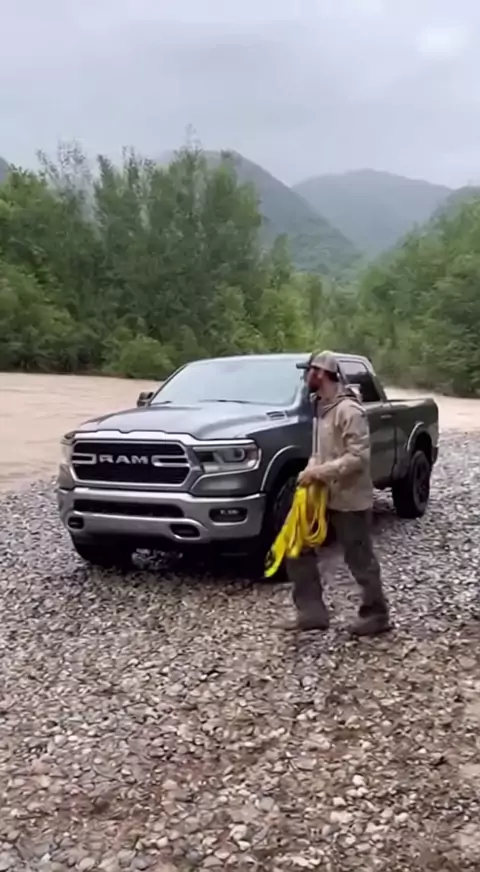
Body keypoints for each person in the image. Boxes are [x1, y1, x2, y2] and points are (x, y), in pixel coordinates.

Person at [284, 350, 391, 637]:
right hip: (321, 495)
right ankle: (311, 614)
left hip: (350, 498)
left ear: (321, 373)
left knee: (359, 558)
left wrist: (319, 472)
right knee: (296, 547)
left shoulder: (349, 411)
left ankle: (377, 615)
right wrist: (309, 471)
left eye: (309, 370)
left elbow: (358, 458)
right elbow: (319, 452)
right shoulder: (321, 407)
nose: (306, 375)